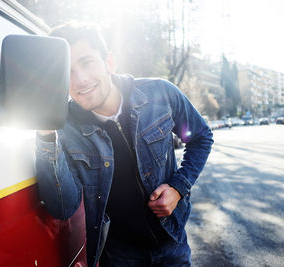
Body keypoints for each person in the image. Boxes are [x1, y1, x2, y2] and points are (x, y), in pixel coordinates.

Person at [35, 23, 214, 267]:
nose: (80, 79)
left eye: (86, 62)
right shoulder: (64, 126)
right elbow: (63, 207)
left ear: (109, 61)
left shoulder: (161, 94)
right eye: (68, 72)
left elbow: (201, 136)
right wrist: (46, 134)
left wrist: (178, 187)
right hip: (118, 256)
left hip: (172, 243)